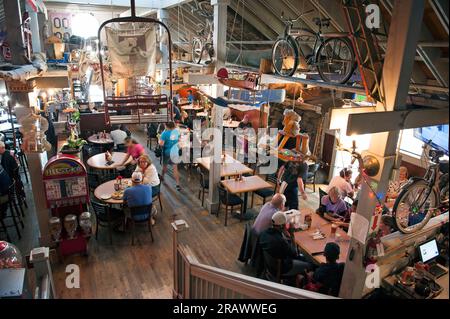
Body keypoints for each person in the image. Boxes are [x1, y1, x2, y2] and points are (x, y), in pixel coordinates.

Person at [259, 211, 313, 277]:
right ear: (282, 226)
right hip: (282, 268)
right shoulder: (280, 241)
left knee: (303, 257)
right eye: (285, 224)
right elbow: (294, 254)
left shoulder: (263, 233)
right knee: (310, 265)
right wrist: (291, 235)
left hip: (269, 265)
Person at [159, 122, 181, 191]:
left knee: (164, 166)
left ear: (166, 126)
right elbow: (179, 142)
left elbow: (161, 144)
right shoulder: (177, 132)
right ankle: (177, 184)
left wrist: (159, 141)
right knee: (175, 168)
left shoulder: (164, 133)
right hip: (175, 152)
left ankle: (162, 177)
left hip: (167, 152)